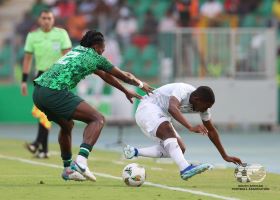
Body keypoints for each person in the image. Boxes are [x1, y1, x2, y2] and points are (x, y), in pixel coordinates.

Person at [32, 30, 154, 181]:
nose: (104, 51)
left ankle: (68, 169)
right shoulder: (95, 57)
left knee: (67, 125)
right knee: (98, 119)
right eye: (103, 48)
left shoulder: (77, 51)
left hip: (38, 92)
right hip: (54, 92)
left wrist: (125, 91)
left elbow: (104, 75)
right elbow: (124, 76)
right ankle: (81, 162)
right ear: (97, 46)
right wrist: (141, 84)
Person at [123, 83, 242, 180]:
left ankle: (134, 151)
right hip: (147, 107)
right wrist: (190, 127)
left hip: (158, 115)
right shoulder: (183, 90)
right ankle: (185, 168)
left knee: (180, 148)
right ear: (196, 99)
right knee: (168, 130)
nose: (205, 110)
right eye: (205, 106)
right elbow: (172, 108)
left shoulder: (203, 107)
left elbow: (211, 130)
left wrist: (224, 155)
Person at [21, 10, 72, 158]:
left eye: (49, 18)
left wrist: (66, 77)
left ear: (53, 19)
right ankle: (42, 148)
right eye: (44, 18)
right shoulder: (33, 36)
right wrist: (24, 80)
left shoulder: (61, 34)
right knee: (43, 111)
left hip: (56, 76)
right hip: (40, 75)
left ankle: (38, 144)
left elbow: (67, 56)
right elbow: (28, 59)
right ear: (39, 20)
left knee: (44, 111)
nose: (46, 21)